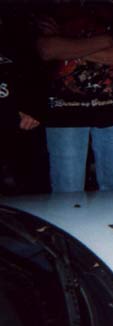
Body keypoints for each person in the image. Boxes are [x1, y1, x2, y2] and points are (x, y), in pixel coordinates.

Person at [35, 1, 113, 193]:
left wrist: (68, 46)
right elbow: (47, 50)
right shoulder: (52, 6)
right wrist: (109, 40)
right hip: (64, 113)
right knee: (66, 192)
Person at [0, 10, 46, 194]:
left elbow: (39, 75)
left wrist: (33, 108)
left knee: (30, 190)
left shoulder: (17, 32)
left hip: (17, 127)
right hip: (10, 114)